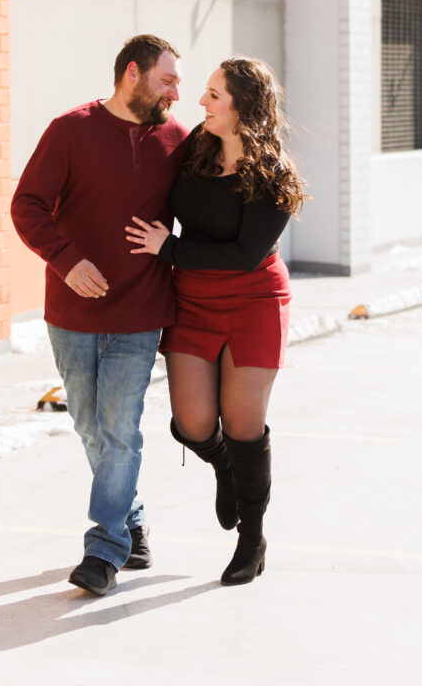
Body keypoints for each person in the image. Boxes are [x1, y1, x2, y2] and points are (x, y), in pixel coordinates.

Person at [11, 34, 190, 596]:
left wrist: (176, 245)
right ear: (132, 74)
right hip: (71, 312)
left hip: (140, 311)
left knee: (120, 432)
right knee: (90, 425)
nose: (176, 94)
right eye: (167, 80)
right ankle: (129, 516)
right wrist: (66, 261)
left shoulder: (179, 140)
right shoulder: (70, 131)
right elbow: (27, 206)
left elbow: (209, 207)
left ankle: (104, 549)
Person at [126, 56, 306, 586]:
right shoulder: (194, 152)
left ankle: (252, 539)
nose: (200, 102)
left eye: (212, 95)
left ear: (242, 106)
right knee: (193, 424)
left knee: (244, 426)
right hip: (194, 301)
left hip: (254, 302)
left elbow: (247, 255)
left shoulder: (273, 176)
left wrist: (169, 249)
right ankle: (223, 464)